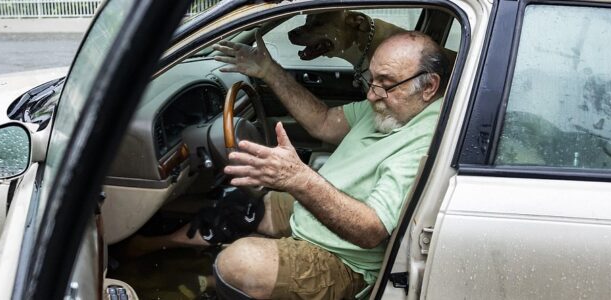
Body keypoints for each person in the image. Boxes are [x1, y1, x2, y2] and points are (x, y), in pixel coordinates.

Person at [129, 30, 447, 299]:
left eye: (385, 84)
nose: (371, 94)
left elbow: (370, 231)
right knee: (240, 205)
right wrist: (268, 69)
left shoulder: (426, 138)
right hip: (319, 212)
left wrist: (299, 179)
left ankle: (209, 282)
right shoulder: (390, 108)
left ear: (429, 86)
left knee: (237, 262)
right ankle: (157, 245)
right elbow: (323, 121)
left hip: (347, 261)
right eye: (371, 79)